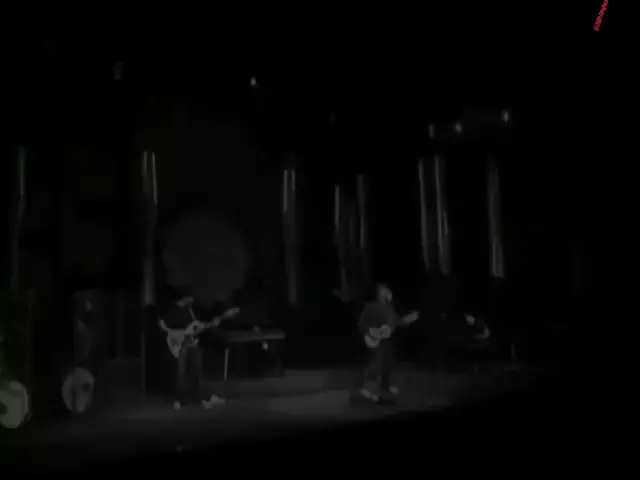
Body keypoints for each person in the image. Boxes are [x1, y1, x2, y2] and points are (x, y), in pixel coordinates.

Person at [158, 295, 225, 410]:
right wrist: (174, 333)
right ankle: (179, 399)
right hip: (181, 345)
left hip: (193, 344)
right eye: (190, 298)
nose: (192, 300)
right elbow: (161, 322)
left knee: (197, 371)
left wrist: (210, 325)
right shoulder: (175, 308)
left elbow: (195, 327)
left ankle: (203, 398)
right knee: (181, 373)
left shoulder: (191, 310)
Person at [358, 283, 419, 404]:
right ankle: (367, 389)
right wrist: (370, 332)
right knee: (375, 363)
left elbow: (397, 322)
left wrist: (409, 319)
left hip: (387, 340)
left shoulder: (390, 308)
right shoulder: (371, 306)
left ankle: (385, 386)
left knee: (389, 362)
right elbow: (361, 324)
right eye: (385, 290)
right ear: (379, 293)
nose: (388, 293)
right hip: (375, 339)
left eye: (388, 290)